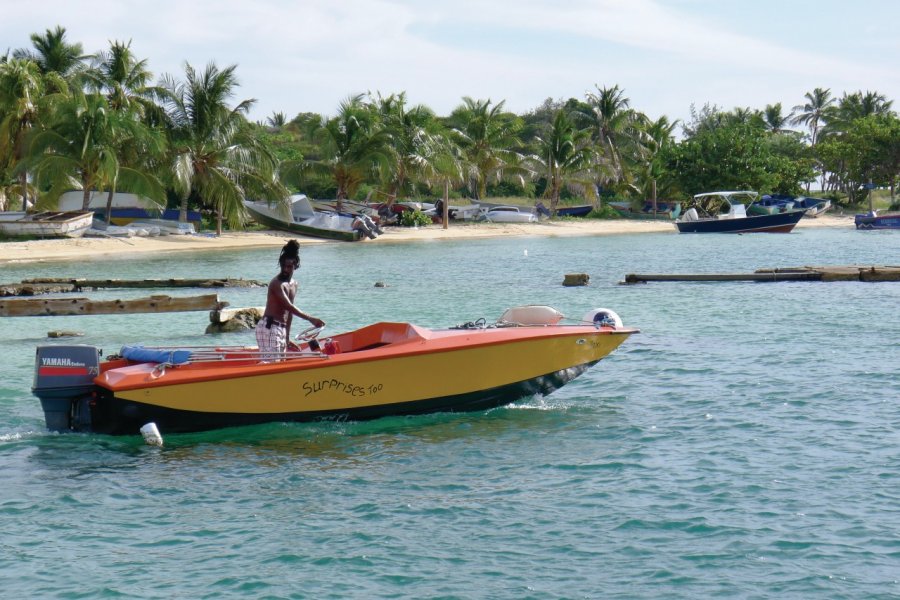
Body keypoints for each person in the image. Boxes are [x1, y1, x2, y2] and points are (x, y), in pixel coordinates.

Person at [256, 239, 325, 360]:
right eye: (284, 266)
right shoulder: (276, 283)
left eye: (289, 267)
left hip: (281, 329)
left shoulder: (294, 284)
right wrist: (310, 318)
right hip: (269, 327)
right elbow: (289, 306)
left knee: (281, 362)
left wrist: (287, 337)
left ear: (295, 266)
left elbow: (289, 314)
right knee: (272, 365)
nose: (286, 270)